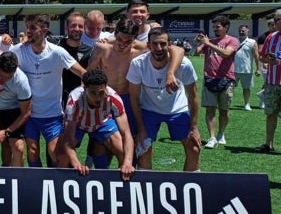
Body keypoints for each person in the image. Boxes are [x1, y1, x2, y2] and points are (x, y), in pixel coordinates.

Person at [10, 14, 85, 168]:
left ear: (44, 30)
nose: (28, 31)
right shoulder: (18, 50)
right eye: (27, 27)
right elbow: (3, 65)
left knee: (56, 153)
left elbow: (83, 73)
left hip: (53, 114)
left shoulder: (57, 52)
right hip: (29, 113)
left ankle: (58, 186)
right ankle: (36, 185)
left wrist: (81, 94)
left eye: (33, 28)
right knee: (32, 150)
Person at [126, 27, 201, 171]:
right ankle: (146, 188)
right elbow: (134, 98)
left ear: (170, 44)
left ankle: (189, 187)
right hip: (149, 109)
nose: (158, 48)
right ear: (148, 45)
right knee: (143, 149)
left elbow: (193, 96)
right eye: (154, 44)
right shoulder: (138, 64)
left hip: (177, 109)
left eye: (162, 44)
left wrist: (194, 127)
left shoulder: (184, 65)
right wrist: (141, 129)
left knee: (194, 148)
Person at [57, 68, 135, 181]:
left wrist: (127, 163)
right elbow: (68, 141)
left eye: (101, 93)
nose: (98, 98)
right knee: (62, 156)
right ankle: (65, 185)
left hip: (102, 123)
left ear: (106, 87)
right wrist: (77, 164)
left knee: (124, 153)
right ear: (85, 89)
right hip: (79, 125)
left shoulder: (114, 98)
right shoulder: (74, 102)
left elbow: (127, 134)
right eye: (93, 93)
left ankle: (117, 188)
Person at [0, 51, 33, 166]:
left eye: (10, 77)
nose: (5, 79)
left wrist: (7, 132)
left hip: (11, 112)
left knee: (18, 148)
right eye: (3, 76)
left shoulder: (21, 81)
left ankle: (16, 181)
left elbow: (26, 113)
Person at [194, 15, 239, 148]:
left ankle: (221, 134)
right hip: (210, 78)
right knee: (210, 109)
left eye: (218, 27)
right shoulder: (210, 41)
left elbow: (226, 54)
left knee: (224, 111)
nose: (215, 29)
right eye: (213, 27)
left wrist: (208, 44)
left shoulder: (232, 40)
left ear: (226, 27)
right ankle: (212, 137)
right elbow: (196, 53)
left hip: (226, 79)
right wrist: (198, 43)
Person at [255, 10, 281, 153]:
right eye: (274, 19)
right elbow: (262, 57)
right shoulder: (271, 37)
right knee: (270, 113)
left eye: (277, 19)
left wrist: (278, 61)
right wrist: (269, 60)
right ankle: (268, 144)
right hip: (272, 82)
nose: (274, 22)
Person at [234, 24, 262, 110]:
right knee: (229, 88)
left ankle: (247, 104)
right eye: (240, 30)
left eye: (243, 30)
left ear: (247, 31)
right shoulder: (234, 41)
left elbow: (256, 56)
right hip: (233, 69)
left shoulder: (252, 42)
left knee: (246, 88)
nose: (241, 32)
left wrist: (258, 68)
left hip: (247, 70)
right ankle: (226, 104)